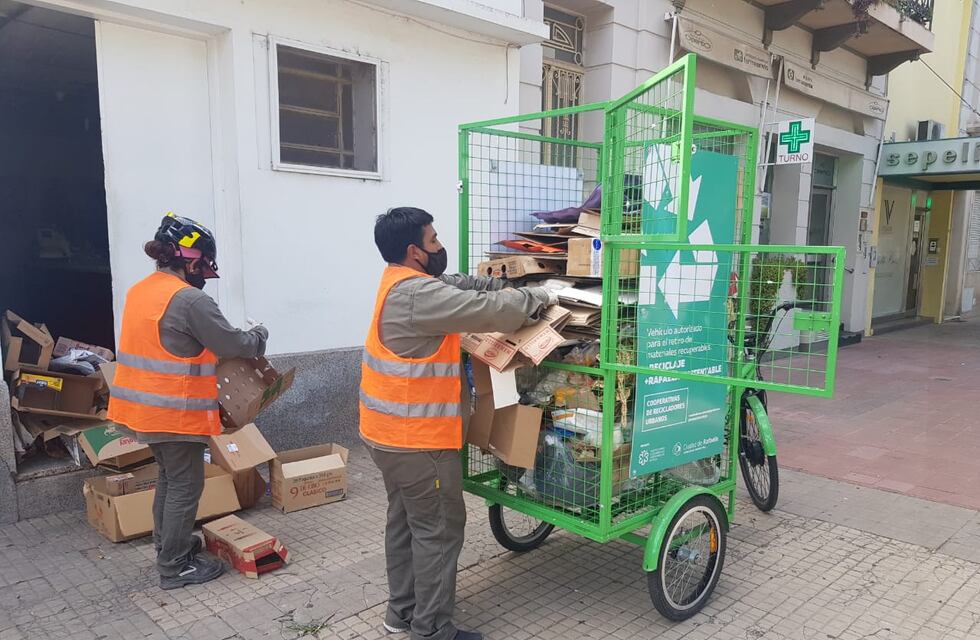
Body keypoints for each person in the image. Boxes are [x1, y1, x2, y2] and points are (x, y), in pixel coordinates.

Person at [360, 207, 557, 640]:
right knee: (440, 529)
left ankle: (401, 615)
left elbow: (464, 285)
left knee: (405, 523)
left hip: (387, 438)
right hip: (419, 444)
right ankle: (431, 629)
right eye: (433, 241)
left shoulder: (402, 282)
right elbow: (489, 311)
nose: (440, 246)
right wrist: (539, 297)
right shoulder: (417, 296)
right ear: (414, 251)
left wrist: (508, 281)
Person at [108, 213, 269, 590]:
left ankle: (169, 546)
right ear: (192, 259)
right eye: (204, 265)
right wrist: (259, 336)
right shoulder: (188, 299)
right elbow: (232, 343)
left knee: (169, 479)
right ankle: (175, 566)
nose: (205, 274)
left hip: (142, 409)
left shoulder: (142, 290)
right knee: (185, 486)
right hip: (174, 411)